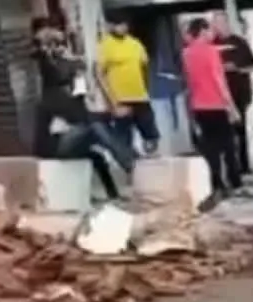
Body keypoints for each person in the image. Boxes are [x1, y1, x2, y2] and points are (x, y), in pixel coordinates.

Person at [31, 16, 134, 201]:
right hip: (54, 146)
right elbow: (55, 70)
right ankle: (130, 165)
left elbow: (78, 69)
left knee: (97, 154)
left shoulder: (70, 94)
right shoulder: (52, 94)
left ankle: (115, 194)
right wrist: (51, 50)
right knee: (96, 127)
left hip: (68, 139)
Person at [182, 17, 243, 210]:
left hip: (199, 107)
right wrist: (231, 107)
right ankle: (235, 184)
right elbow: (219, 80)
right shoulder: (211, 52)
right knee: (229, 146)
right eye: (209, 30)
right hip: (216, 105)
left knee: (211, 149)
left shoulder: (186, 53)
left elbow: (189, 82)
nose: (213, 34)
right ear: (202, 31)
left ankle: (216, 185)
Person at [97, 13, 159, 155]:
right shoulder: (106, 46)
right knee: (123, 138)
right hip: (120, 98)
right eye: (119, 24)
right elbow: (99, 74)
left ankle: (149, 156)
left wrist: (146, 90)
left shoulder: (135, 44)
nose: (122, 27)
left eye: (124, 24)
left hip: (140, 96)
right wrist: (112, 101)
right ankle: (129, 159)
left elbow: (144, 67)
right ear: (111, 26)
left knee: (151, 135)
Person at [211, 12, 253, 175]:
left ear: (227, 23)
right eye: (216, 24)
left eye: (221, 23)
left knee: (241, 131)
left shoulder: (239, 43)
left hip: (240, 93)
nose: (219, 27)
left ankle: (244, 165)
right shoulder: (212, 45)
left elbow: (252, 66)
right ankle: (230, 167)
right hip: (220, 96)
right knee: (224, 133)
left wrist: (236, 68)